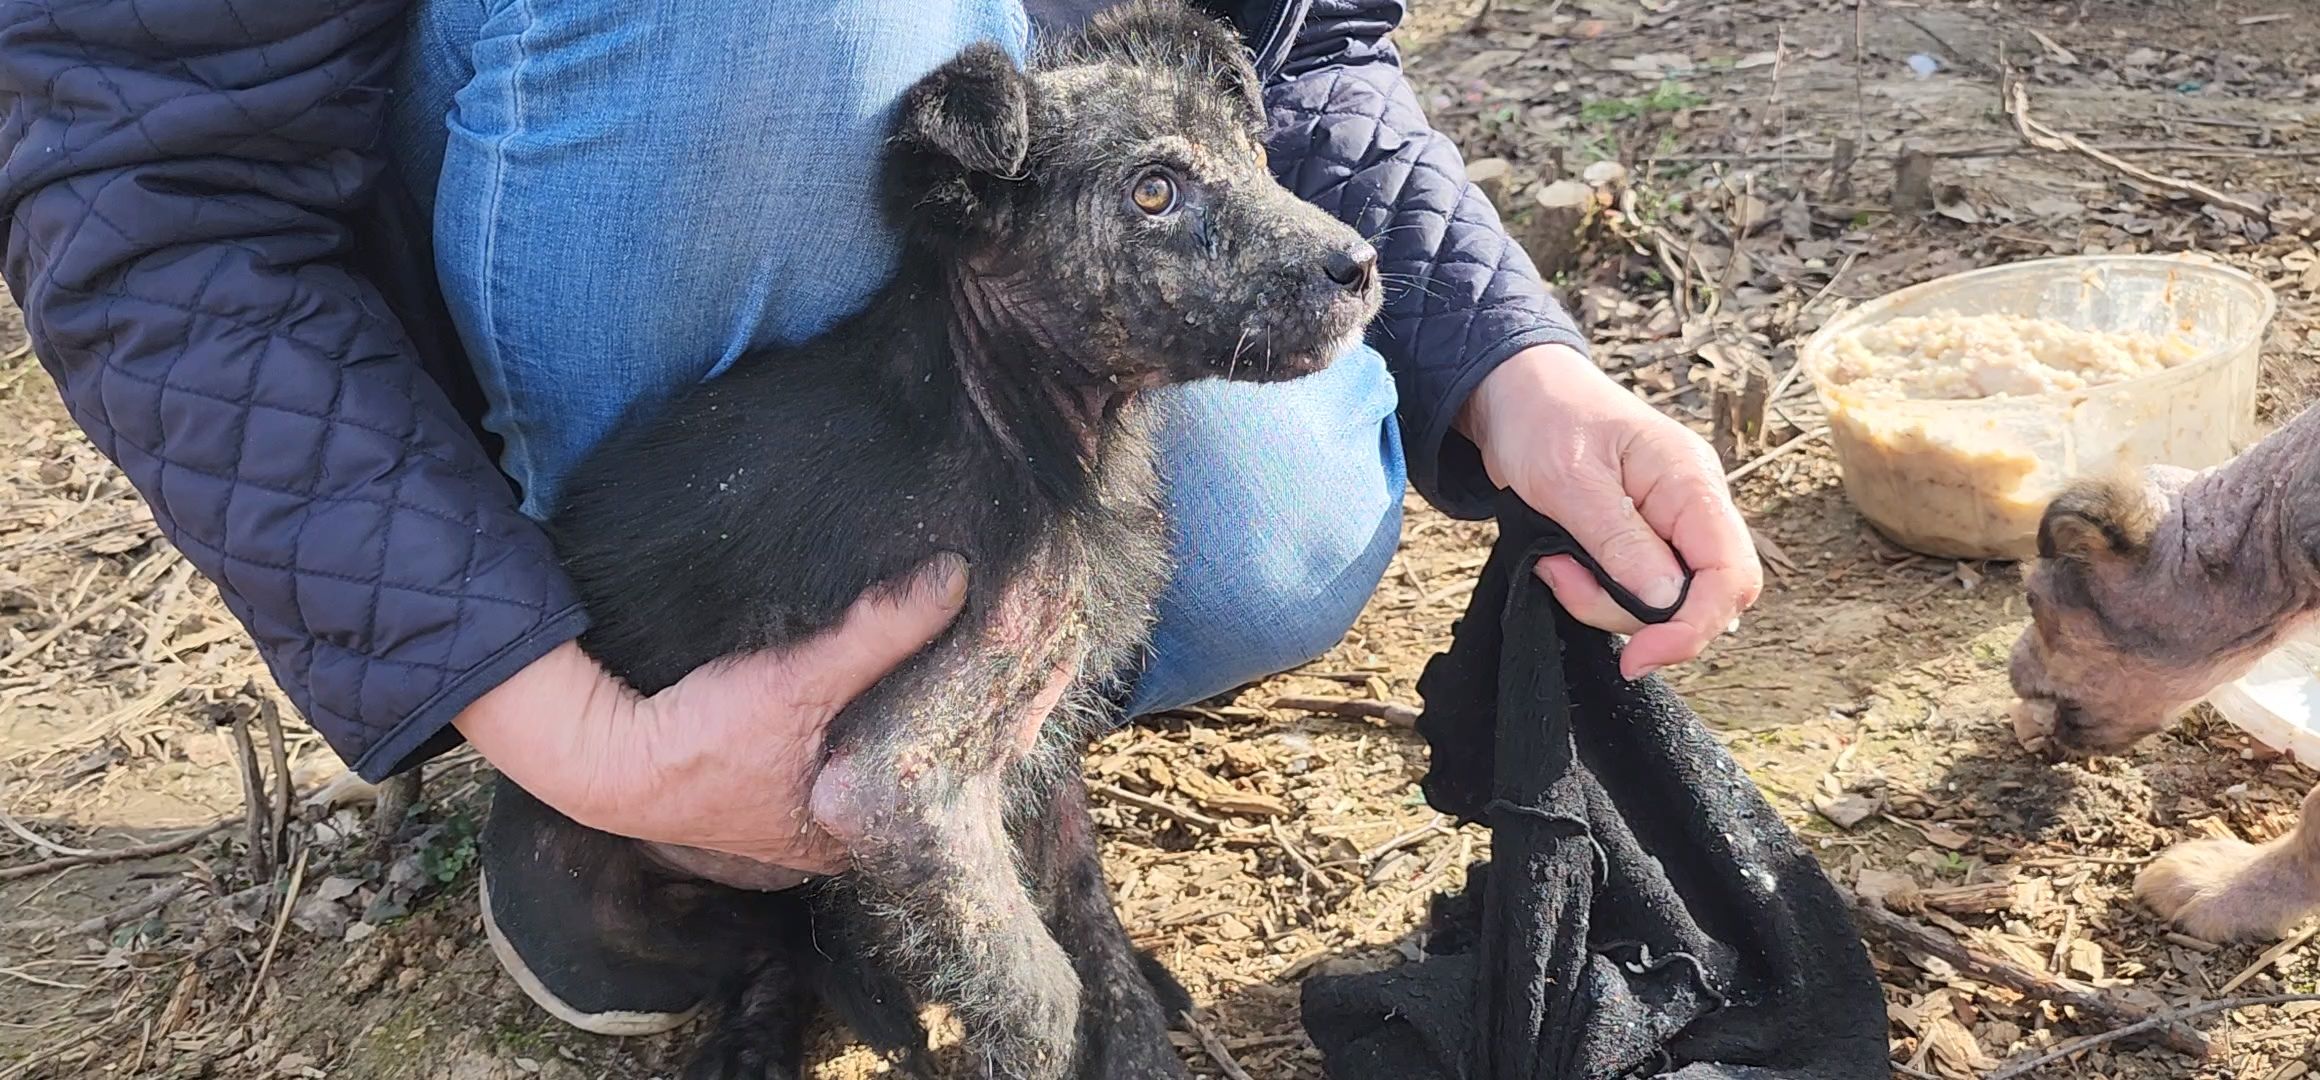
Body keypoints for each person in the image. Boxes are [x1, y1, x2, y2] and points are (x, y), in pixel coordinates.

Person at [0, 0, 1759, 1035]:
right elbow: (153, 188)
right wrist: (559, 716)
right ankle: (644, 728)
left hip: (1004, 251)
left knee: (1271, 546)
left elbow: (1295, 46)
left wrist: (1522, 374)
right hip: (623, 150)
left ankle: (909, 758)